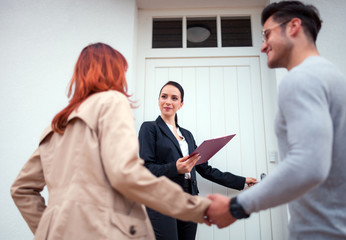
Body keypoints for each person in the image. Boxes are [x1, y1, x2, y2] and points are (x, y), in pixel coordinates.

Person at [10, 43, 212, 240]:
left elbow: (21, 189)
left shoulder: (56, 125)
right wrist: (201, 208)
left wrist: (49, 230)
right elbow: (126, 174)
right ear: (114, 72)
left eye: (174, 98)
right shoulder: (112, 101)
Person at [205, 1, 346, 239]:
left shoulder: (300, 78)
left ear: (293, 27)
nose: (263, 46)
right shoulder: (337, 80)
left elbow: (308, 164)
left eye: (267, 35)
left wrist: (235, 207)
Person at [138, 81, 257, 240]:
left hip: (189, 197)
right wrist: (175, 168)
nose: (168, 101)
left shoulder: (187, 135)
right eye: (164, 96)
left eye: (174, 98)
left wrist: (241, 181)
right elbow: (146, 169)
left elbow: (205, 170)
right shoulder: (149, 128)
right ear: (158, 100)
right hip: (162, 197)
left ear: (181, 104)